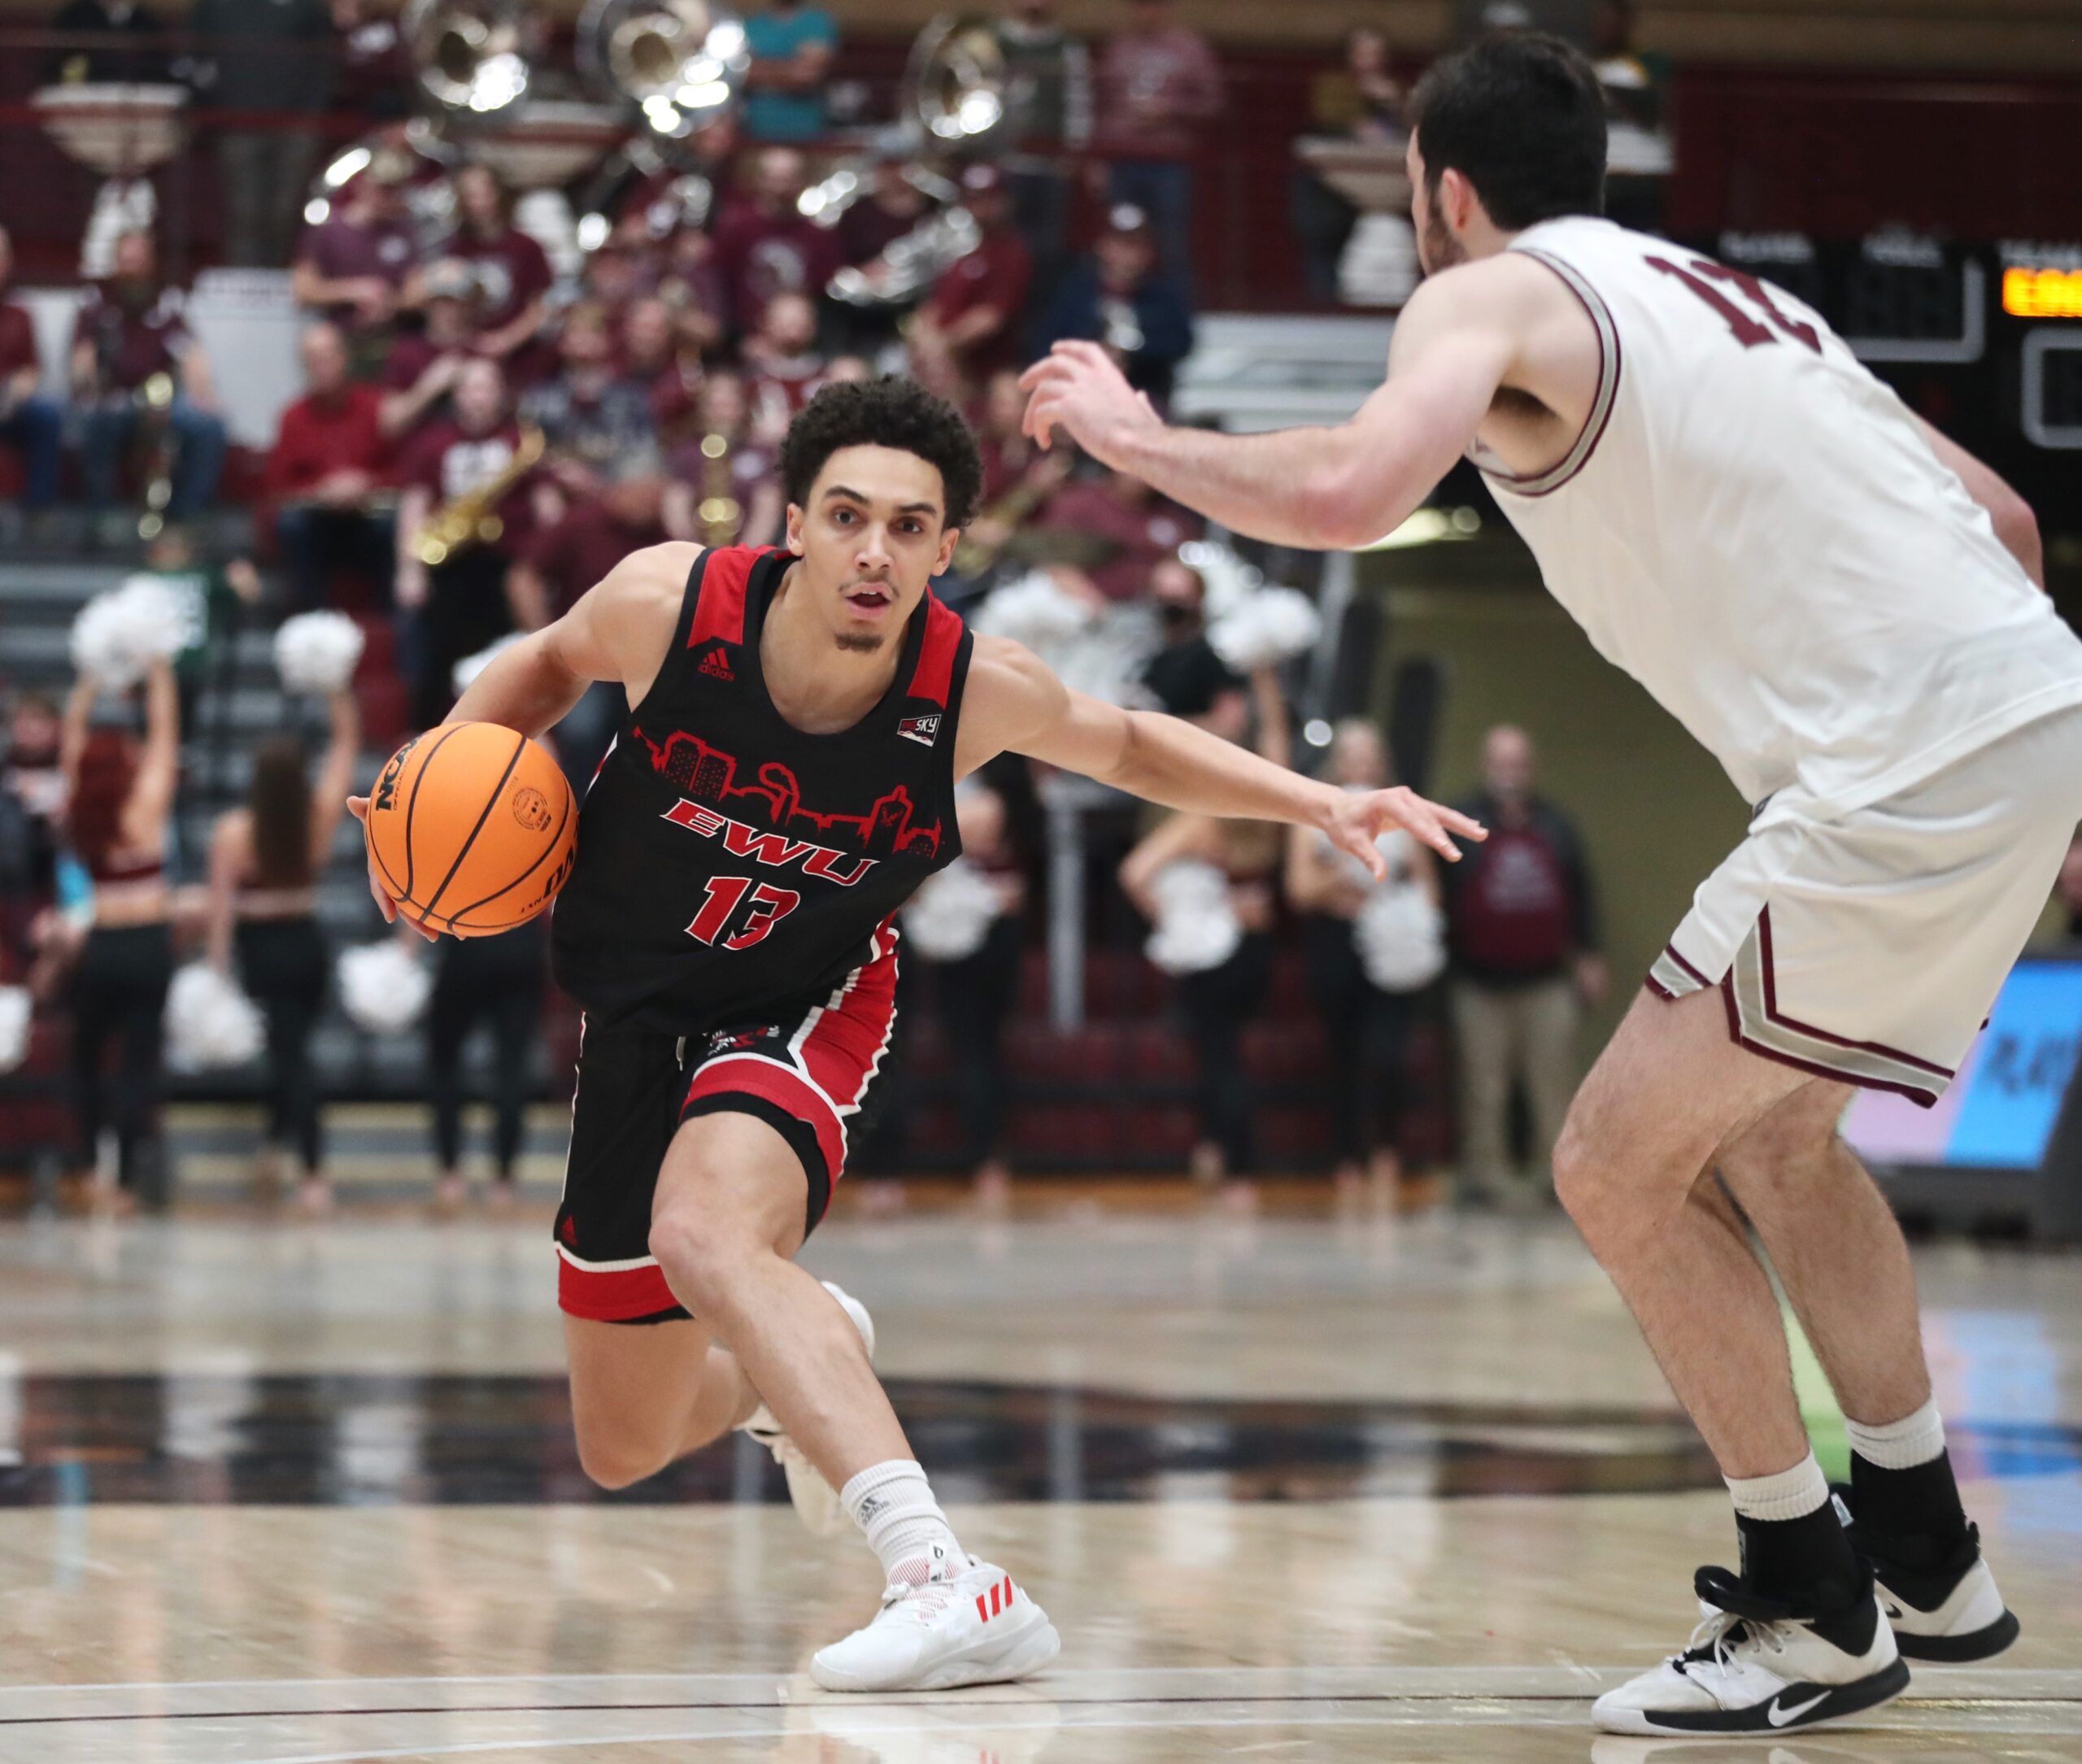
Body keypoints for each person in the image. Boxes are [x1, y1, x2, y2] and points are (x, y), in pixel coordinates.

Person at [1018, 28, 2082, 1734]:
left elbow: (1352, 487)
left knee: (1609, 1162)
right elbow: (2010, 526)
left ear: (1444, 191)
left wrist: (1139, 441)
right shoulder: (1743, 303)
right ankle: (1926, 1548)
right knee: (1779, 1141)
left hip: (1899, 762)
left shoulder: (1490, 293)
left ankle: (1809, 1603)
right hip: (2033, 710)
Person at [344, 373, 1477, 1692]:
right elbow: (542, 667)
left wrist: (1317, 799)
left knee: (704, 1229)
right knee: (622, 1440)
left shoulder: (971, 688)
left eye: (908, 525)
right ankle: (801, 1353)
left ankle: (946, 1575)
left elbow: (1130, 744)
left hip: (806, 998)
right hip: (638, 1011)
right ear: (793, 525)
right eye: (847, 516)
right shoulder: (670, 605)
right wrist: (431, 789)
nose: (874, 550)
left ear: (946, 549)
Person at [1120, 666, 1287, 1194]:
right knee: (1227, 1053)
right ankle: (1216, 1151)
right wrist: (1266, 680)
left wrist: (1179, 918)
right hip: (1256, 946)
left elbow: (1135, 874)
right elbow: (1278, 747)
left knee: (1218, 1057)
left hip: (1214, 950)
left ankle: (1236, 1167)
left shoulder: (1204, 820)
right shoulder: (1269, 804)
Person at [205, 686, 358, 1214]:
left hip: (262, 949)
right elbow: (345, 750)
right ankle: (273, 1148)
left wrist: (218, 970)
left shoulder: (233, 831)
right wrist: (336, 692)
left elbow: (221, 908)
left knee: (292, 1059)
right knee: (289, 1050)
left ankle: (312, 1171)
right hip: (308, 944)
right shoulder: (317, 818)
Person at [1441, 723, 1603, 1206]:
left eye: (1517, 763)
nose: (1509, 772)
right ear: (1485, 766)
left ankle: (1557, 1181)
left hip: (1546, 981)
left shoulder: (1556, 825)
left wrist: (1589, 954)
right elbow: (1442, 895)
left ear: (1531, 768)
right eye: (1501, 763)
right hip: (1479, 982)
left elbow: (1581, 892)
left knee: (1552, 1085)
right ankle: (1485, 1181)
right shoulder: (1462, 820)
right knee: (1482, 1087)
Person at [1287, 718, 1440, 1203]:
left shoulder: (1403, 810)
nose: (1361, 763)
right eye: (1351, 754)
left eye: (1369, 754)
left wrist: (1413, 920)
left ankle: (1387, 1151)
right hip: (1336, 940)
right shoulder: (1315, 813)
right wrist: (1344, 876)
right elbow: (1299, 888)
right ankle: (1347, 1157)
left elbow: (1426, 883)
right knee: (1343, 1052)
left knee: (1389, 1051)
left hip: (1391, 939)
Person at [61, 657, 180, 1210]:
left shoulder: (82, 804)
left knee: (86, 1059)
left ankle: (90, 1167)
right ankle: (126, 1183)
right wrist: (158, 667)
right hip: (149, 943)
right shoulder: (146, 805)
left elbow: (71, 738)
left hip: (102, 944)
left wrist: (91, 674)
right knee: (137, 1064)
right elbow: (166, 732)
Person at [393, 357, 535, 730]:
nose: (478, 397)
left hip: (505, 563)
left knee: (506, 656)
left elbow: (543, 504)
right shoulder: (433, 442)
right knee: (436, 656)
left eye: (487, 388)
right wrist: (409, 569)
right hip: (449, 565)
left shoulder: (520, 440)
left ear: (501, 395)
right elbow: (415, 505)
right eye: (471, 388)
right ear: (456, 396)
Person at [71, 232, 229, 535]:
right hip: (112, 397)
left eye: (138, 262)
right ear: (116, 263)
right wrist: (87, 380)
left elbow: (191, 353)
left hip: (161, 399)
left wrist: (203, 393)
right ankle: (102, 517)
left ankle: (188, 517)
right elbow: (82, 355)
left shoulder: (167, 301)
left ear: (151, 263)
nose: (132, 269)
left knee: (208, 425)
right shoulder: (96, 300)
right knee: (95, 419)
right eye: (126, 261)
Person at [187, 0, 333, 268]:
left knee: (288, 210)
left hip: (296, 123)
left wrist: (312, 108)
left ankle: (279, 277)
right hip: (237, 121)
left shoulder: (307, 6)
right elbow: (195, 56)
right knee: (244, 211)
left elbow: (325, 54)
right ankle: (246, 279)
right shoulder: (214, 6)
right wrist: (215, 101)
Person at [1091, 0, 1223, 281]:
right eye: (1140, 5)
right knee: (1119, 238)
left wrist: (1171, 110)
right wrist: (1098, 158)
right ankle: (1116, 300)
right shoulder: (1119, 47)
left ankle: (1174, 302)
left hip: (1169, 160)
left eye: (1153, 5)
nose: (1147, 12)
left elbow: (1213, 103)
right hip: (1122, 158)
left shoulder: (1190, 48)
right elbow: (1103, 106)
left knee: (1172, 241)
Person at [268, 321, 394, 610]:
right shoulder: (292, 417)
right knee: (292, 525)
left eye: (327, 358)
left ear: (344, 358)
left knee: (392, 525)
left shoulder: (375, 407)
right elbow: (277, 488)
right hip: (320, 521)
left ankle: (390, 618)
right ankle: (313, 617)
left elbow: (404, 471)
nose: (321, 368)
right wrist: (320, 493)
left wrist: (367, 485)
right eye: (312, 361)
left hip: (369, 517)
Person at [427, 921, 549, 1216]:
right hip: (520, 945)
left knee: (445, 1061)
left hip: (467, 939)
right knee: (512, 1069)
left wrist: (405, 946)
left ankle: (450, 1177)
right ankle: (503, 1183)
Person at [1036, 205, 1194, 407]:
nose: (1127, 254)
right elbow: (1048, 341)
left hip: (1144, 394)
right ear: (1103, 246)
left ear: (1148, 252)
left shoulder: (1163, 298)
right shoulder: (1076, 292)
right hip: (1082, 393)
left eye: (1135, 246)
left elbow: (1181, 343)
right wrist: (1096, 352)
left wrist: (1132, 354)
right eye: (1121, 244)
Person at [907, 166, 1034, 394]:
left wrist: (942, 344)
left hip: (984, 369)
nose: (982, 207)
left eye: (990, 199)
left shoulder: (1012, 252)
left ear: (1005, 202)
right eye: (974, 199)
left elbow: (991, 318)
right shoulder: (959, 247)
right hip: (938, 360)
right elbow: (933, 305)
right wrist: (923, 337)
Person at [291, 150, 420, 352]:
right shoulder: (329, 231)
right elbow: (303, 290)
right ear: (362, 185)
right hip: (340, 332)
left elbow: (417, 294)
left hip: (392, 332)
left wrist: (386, 302)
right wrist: (355, 291)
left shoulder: (404, 233)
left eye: (396, 190)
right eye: (383, 189)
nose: (389, 197)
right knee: (319, 340)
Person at [447, 164, 553, 375]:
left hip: (522, 357)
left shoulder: (527, 247)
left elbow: (539, 307)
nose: (478, 203)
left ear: (499, 194)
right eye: (470, 196)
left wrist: (505, 340)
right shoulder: (457, 249)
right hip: (470, 356)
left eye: (483, 194)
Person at [0, 226, 63, 525]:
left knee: (46, 415)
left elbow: (31, 367)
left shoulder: (20, 314)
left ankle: (38, 514)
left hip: (9, 404)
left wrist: (23, 385)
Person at [740, 0, 838, 143]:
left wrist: (760, 68)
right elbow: (740, 74)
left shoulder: (816, 22)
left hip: (805, 131)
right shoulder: (752, 25)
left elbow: (806, 76)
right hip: (756, 129)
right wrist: (790, 69)